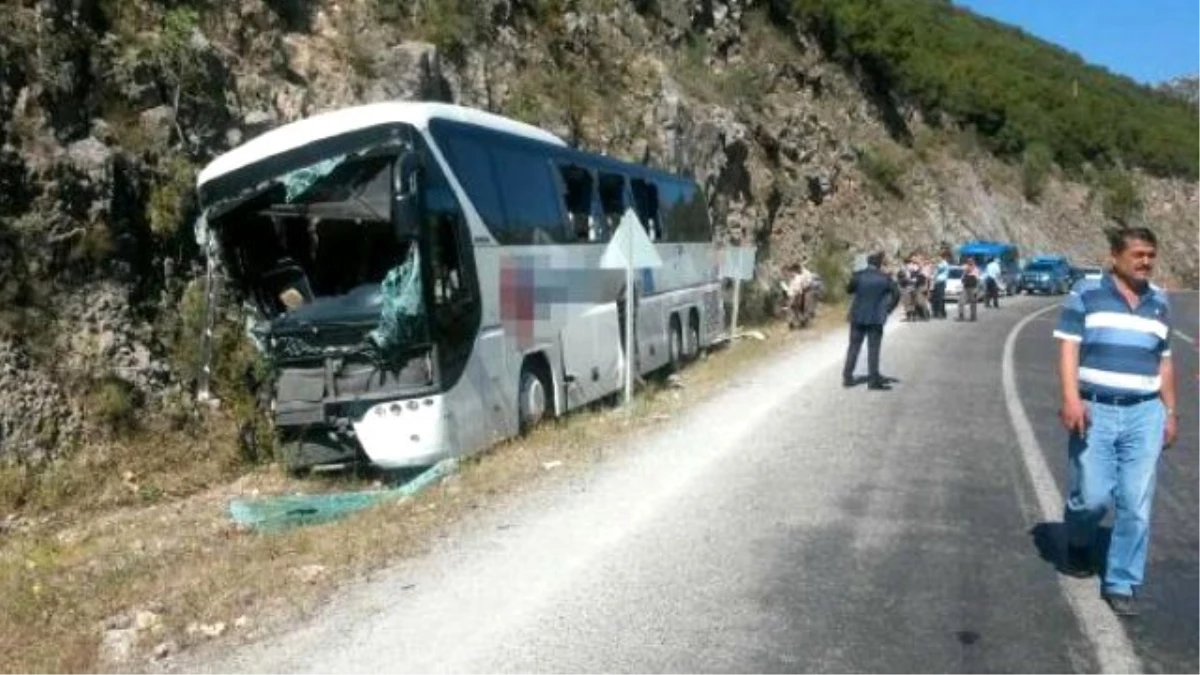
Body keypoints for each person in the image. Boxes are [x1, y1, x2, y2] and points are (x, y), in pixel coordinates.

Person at [1054, 226, 1176, 618]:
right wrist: (1072, 398)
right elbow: (1069, 348)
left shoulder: (1160, 301)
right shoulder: (1085, 293)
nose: (1146, 262)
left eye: (1151, 255)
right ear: (1115, 257)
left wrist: (1170, 412)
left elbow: (1165, 361)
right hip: (1096, 409)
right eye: (1138, 254)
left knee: (1136, 503)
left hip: (1145, 412)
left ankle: (1122, 580)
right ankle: (1078, 538)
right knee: (1091, 497)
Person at [842, 251, 900, 390]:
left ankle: (847, 377)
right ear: (879, 264)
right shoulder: (885, 278)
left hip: (857, 316)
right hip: (876, 317)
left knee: (853, 347)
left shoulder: (859, 276)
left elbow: (849, 290)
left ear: (868, 263)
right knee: (873, 349)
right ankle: (873, 380)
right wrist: (888, 309)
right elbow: (896, 294)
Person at [931, 250, 951, 319]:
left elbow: (938, 267)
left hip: (941, 282)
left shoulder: (944, 263)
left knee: (940, 298)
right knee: (935, 298)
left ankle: (941, 313)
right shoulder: (942, 263)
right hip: (937, 282)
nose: (940, 257)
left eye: (942, 256)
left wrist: (934, 263)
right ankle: (937, 312)